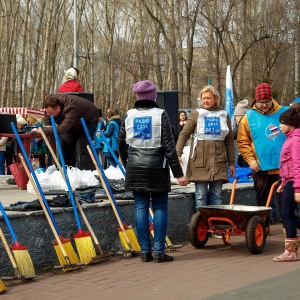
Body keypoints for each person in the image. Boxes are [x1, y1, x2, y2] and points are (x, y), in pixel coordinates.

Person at [118, 80, 187, 263]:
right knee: (160, 208)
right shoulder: (161, 114)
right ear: (153, 96)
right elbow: (170, 148)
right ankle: (159, 251)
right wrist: (179, 174)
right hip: (157, 167)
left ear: (138, 97)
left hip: (135, 167)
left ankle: (144, 251)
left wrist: (128, 165)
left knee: (140, 208)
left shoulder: (129, 115)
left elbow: (121, 144)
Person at [237, 83, 289, 233]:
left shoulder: (285, 112)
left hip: (283, 166)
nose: (264, 105)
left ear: (272, 99)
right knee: (262, 200)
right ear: (256, 101)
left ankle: (287, 226)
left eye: (267, 102)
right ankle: (262, 227)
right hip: (260, 166)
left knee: (285, 199)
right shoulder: (248, 117)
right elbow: (243, 141)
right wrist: (251, 160)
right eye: (261, 102)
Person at [176, 85, 235, 211]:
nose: (205, 101)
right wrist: (178, 152)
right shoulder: (196, 114)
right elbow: (184, 134)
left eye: (208, 98)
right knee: (200, 196)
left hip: (218, 162)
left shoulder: (224, 115)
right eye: (203, 98)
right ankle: (200, 226)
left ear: (216, 98)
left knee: (217, 196)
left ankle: (216, 226)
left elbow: (229, 140)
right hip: (200, 162)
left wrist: (231, 162)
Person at [40, 93, 98, 170]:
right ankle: (69, 170)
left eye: (50, 113)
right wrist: (47, 126)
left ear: (58, 108)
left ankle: (89, 172)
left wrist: (44, 130)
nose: (48, 114)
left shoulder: (71, 107)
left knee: (84, 145)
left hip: (89, 119)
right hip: (73, 122)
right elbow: (47, 115)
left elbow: (62, 129)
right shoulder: (50, 102)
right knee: (66, 144)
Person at [273, 108, 300, 262]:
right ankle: (291, 251)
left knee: (287, 214)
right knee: (286, 213)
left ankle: (291, 252)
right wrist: (282, 183)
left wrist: (297, 188)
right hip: (288, 181)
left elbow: (297, 165)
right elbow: (286, 164)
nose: (279, 126)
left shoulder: (295, 140)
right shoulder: (290, 138)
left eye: (281, 123)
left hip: (294, 181)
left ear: (290, 124)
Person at [233, 99, 249, 167]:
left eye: (236, 116)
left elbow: (232, 135)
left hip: (247, 154)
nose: (235, 118)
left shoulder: (241, 124)